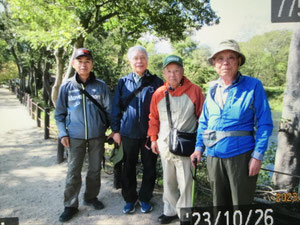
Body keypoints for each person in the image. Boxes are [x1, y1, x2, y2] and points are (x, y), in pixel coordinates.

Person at [190, 39, 273, 208]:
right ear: (214, 63)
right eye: (220, 58)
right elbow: (204, 122)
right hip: (213, 155)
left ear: (239, 62)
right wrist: (199, 148)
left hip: (241, 156)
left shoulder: (253, 86)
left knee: (240, 206)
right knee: (218, 205)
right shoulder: (212, 89)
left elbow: (265, 123)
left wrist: (257, 156)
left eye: (231, 57)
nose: (225, 62)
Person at [55, 48, 112, 222]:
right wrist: (63, 132)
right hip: (74, 136)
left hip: (97, 135)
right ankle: (70, 205)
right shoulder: (66, 87)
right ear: (74, 64)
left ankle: (91, 197)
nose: (83, 64)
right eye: (80, 61)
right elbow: (59, 114)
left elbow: (110, 111)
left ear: (92, 64)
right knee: (73, 171)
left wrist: (111, 131)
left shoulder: (101, 86)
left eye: (87, 61)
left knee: (95, 169)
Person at [148, 55, 205, 224]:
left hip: (185, 145)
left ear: (183, 71)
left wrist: (200, 146)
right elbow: (153, 118)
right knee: (168, 180)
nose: (173, 74)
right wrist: (152, 139)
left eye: (176, 70)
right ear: (164, 72)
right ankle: (170, 211)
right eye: (169, 71)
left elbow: (202, 118)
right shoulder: (158, 93)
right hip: (164, 144)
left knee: (186, 181)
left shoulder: (195, 90)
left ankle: (185, 214)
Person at [111, 45, 163, 214]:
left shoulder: (156, 82)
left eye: (142, 58)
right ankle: (129, 199)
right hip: (128, 132)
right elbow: (115, 108)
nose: (139, 61)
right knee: (128, 167)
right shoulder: (123, 82)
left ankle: (145, 198)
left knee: (150, 167)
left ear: (147, 60)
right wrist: (116, 130)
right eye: (136, 58)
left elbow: (163, 109)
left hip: (150, 134)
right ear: (130, 61)